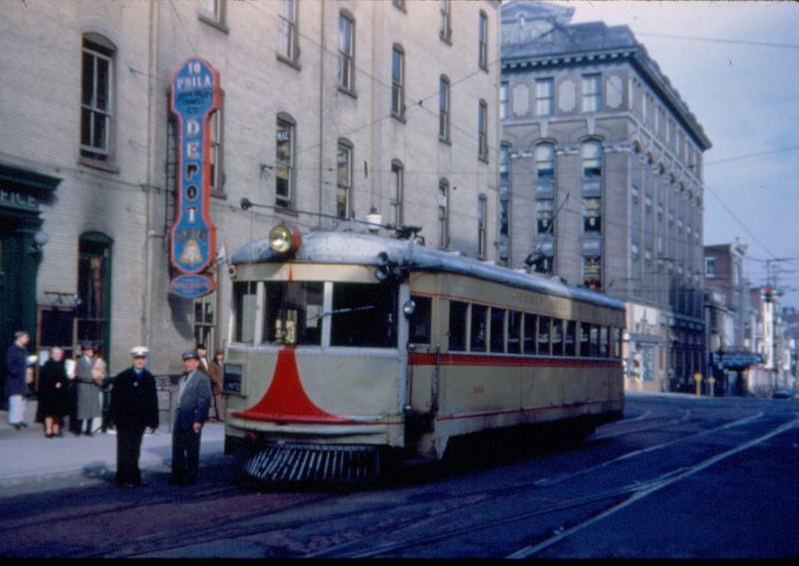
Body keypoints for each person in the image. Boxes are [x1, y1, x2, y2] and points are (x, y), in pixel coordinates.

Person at [108, 346, 159, 488]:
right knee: (124, 449)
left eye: (142, 358)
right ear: (133, 359)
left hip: (139, 421)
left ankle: (134, 477)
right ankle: (123, 478)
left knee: (135, 449)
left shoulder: (149, 378)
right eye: (137, 358)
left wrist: (154, 420)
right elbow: (115, 399)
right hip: (124, 420)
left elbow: (152, 400)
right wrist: (111, 419)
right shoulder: (122, 377)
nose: (140, 361)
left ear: (146, 360)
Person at [170, 351, 211, 486]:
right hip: (180, 417)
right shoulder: (182, 377)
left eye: (190, 361)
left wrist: (199, 420)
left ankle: (190, 478)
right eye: (186, 361)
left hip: (193, 419)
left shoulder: (202, 379)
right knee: (177, 449)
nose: (187, 364)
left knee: (192, 450)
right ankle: (178, 476)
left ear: (197, 363)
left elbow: (204, 401)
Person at [37, 347, 70, 438]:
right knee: (49, 413)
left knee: (58, 413)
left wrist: (63, 383)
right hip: (49, 393)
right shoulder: (47, 365)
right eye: (56, 353)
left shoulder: (62, 365)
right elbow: (44, 379)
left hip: (60, 393)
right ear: (52, 354)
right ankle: (48, 430)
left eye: (59, 353)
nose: (58, 355)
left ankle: (56, 430)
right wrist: (54, 383)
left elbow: (65, 378)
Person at [74, 341, 105, 436]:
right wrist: (90, 378)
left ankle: (88, 430)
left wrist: (101, 376)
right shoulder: (80, 361)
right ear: (84, 351)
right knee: (82, 409)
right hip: (84, 386)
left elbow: (101, 371)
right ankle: (78, 430)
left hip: (94, 387)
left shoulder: (95, 360)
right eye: (88, 349)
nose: (91, 351)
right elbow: (79, 374)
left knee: (92, 409)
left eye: (91, 349)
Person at [4, 331, 31, 430]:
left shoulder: (23, 350)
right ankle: (13, 420)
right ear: (20, 338)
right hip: (15, 380)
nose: (27, 340)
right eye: (26, 337)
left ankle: (20, 419)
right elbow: (8, 364)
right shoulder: (12, 350)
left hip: (22, 380)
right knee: (15, 399)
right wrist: (17, 373)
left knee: (23, 400)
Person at [208, 350, 225, 422]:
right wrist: (217, 381)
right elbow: (211, 374)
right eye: (219, 355)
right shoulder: (212, 363)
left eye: (221, 355)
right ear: (216, 355)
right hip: (217, 385)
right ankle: (221, 417)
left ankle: (223, 416)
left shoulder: (223, 363)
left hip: (224, 386)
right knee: (218, 402)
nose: (220, 356)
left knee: (223, 402)